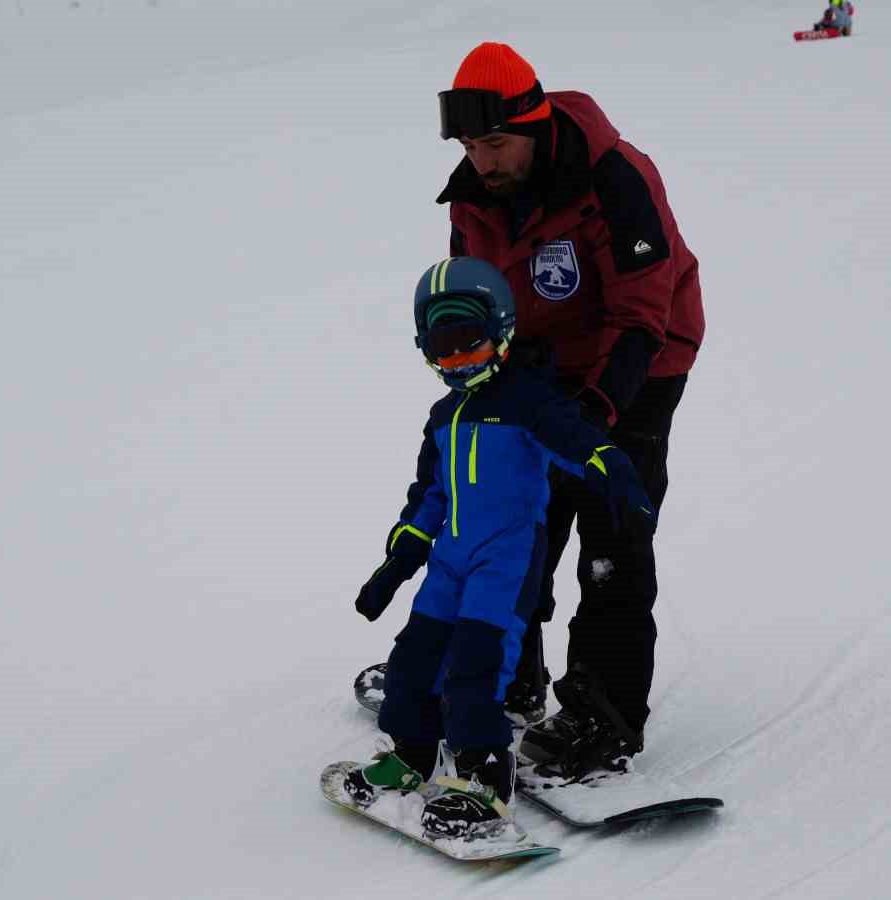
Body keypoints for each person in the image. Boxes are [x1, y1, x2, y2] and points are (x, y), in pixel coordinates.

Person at [433, 42, 704, 780]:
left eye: (495, 142)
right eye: (469, 144)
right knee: (514, 520)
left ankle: (602, 715)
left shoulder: (615, 177)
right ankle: (508, 677)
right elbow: (479, 299)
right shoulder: (472, 196)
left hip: (640, 364)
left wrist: (594, 412)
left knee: (611, 532)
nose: (483, 160)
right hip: (543, 368)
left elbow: (644, 311)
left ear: (536, 121)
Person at [344, 256, 657, 839]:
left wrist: (617, 475)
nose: (458, 362)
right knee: (415, 662)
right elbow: (428, 498)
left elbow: (579, 442)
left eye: (470, 343)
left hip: (505, 564)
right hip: (449, 564)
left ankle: (484, 781)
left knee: (476, 670)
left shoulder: (528, 401)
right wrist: (397, 562)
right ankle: (411, 757)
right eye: (444, 349)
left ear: (502, 332)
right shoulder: (443, 418)